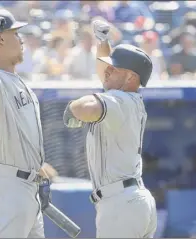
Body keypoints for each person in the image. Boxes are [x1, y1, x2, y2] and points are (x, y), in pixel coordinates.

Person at [63, 20, 157, 238]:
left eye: (114, 69)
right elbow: (105, 71)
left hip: (120, 204)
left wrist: (71, 109)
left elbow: (85, 107)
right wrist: (103, 41)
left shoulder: (120, 100)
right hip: (133, 201)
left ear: (131, 77)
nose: (106, 72)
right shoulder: (127, 98)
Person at [0, 9, 48, 238]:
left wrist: (37, 172)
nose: (20, 38)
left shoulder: (18, 81)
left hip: (26, 189)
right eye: (14, 32)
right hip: (5, 189)